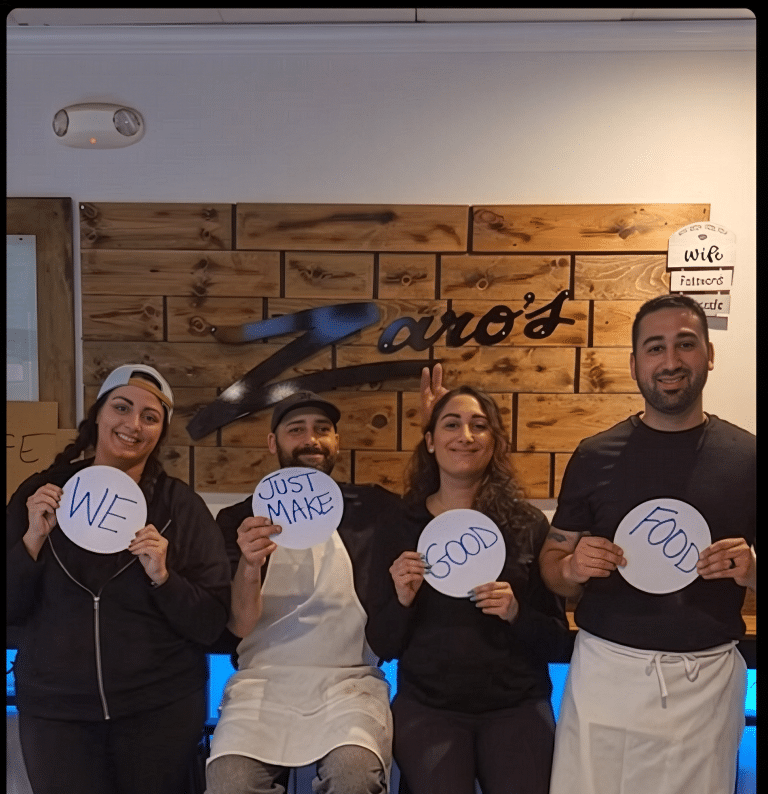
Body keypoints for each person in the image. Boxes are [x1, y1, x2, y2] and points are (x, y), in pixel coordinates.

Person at [539, 294, 756, 794]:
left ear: (709, 354)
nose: (671, 361)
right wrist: (571, 566)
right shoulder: (594, 455)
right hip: (604, 679)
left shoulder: (747, 457)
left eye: (686, 344)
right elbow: (552, 564)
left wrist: (751, 568)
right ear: (635, 363)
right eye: (655, 348)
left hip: (706, 682)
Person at [6, 364, 232, 794]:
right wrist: (32, 541)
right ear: (98, 415)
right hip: (56, 713)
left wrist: (164, 577)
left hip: (160, 709)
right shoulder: (39, 495)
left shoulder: (178, 507)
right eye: (122, 408)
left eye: (150, 417)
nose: (133, 425)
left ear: (160, 432)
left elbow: (210, 623)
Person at [367, 383, 569, 794]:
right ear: (430, 440)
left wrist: (516, 614)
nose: (466, 436)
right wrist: (403, 600)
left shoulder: (526, 524)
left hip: (517, 706)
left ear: (494, 443)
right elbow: (381, 642)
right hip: (429, 709)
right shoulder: (398, 525)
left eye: (480, 426)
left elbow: (557, 643)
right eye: (451, 424)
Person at [205, 391, 402, 794]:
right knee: (230, 785)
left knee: (353, 776)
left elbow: (434, 506)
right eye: (297, 429)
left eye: (322, 430)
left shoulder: (376, 509)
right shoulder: (239, 520)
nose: (311, 439)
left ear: (336, 442)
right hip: (261, 685)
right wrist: (248, 563)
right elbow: (235, 627)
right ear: (273, 443)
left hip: (351, 684)